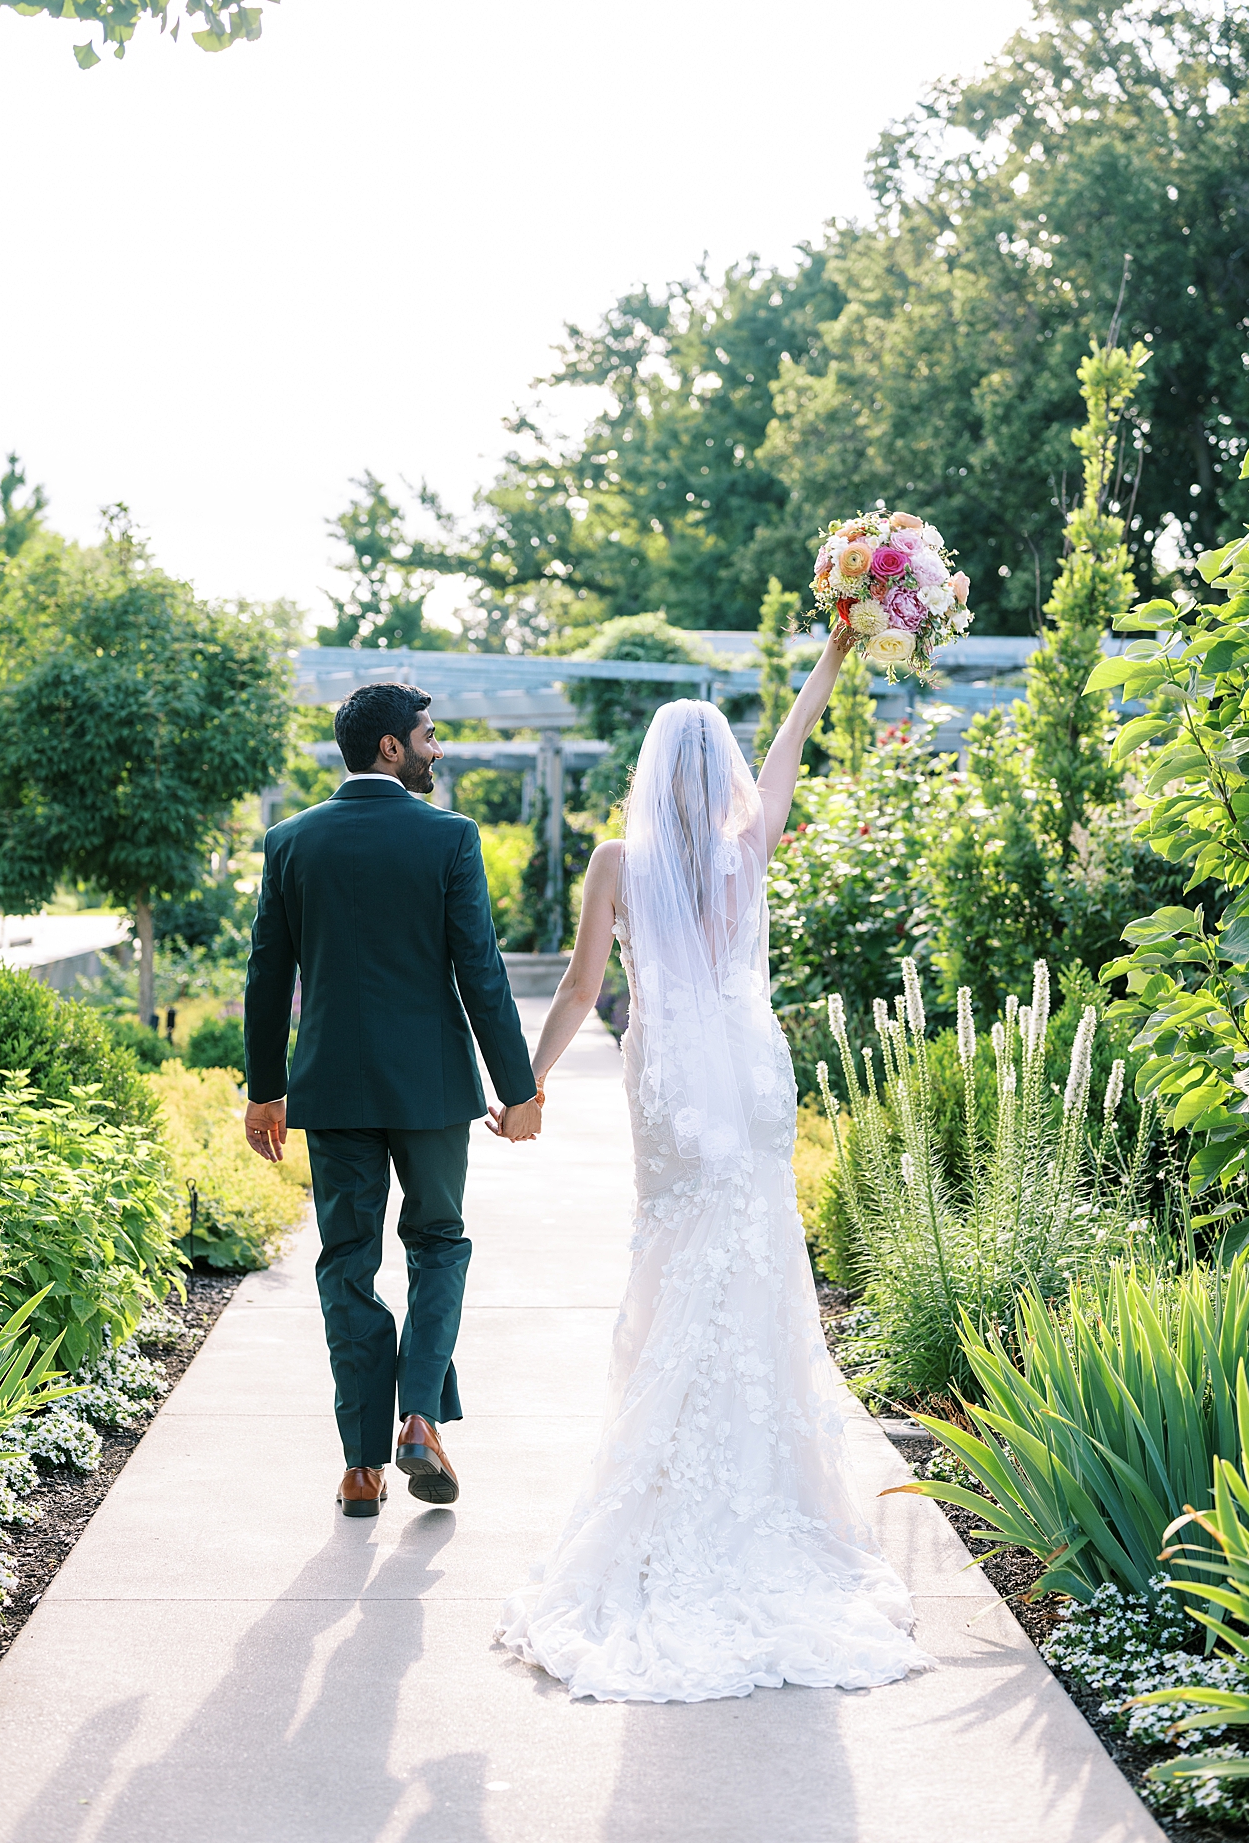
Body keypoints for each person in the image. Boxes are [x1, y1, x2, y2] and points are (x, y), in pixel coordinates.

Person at [496, 637, 932, 1702]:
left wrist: (524, 1085)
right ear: (721, 774)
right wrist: (829, 652)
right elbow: (794, 739)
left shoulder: (614, 863)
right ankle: (762, 1499)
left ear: (648, 774)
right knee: (753, 1260)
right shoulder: (751, 842)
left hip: (674, 1086)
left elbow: (578, 990)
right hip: (748, 1074)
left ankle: (665, 1498)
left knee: (673, 1261)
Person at [243, 682, 541, 1521]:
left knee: (347, 1264)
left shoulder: (290, 841)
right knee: (438, 1244)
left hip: (331, 1089)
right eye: (429, 736)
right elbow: (478, 971)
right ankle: (419, 1422)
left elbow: (268, 978)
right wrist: (516, 1092)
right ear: (389, 748)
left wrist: (265, 1090)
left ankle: (360, 1469)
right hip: (432, 1088)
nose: (436, 750)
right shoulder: (448, 837)